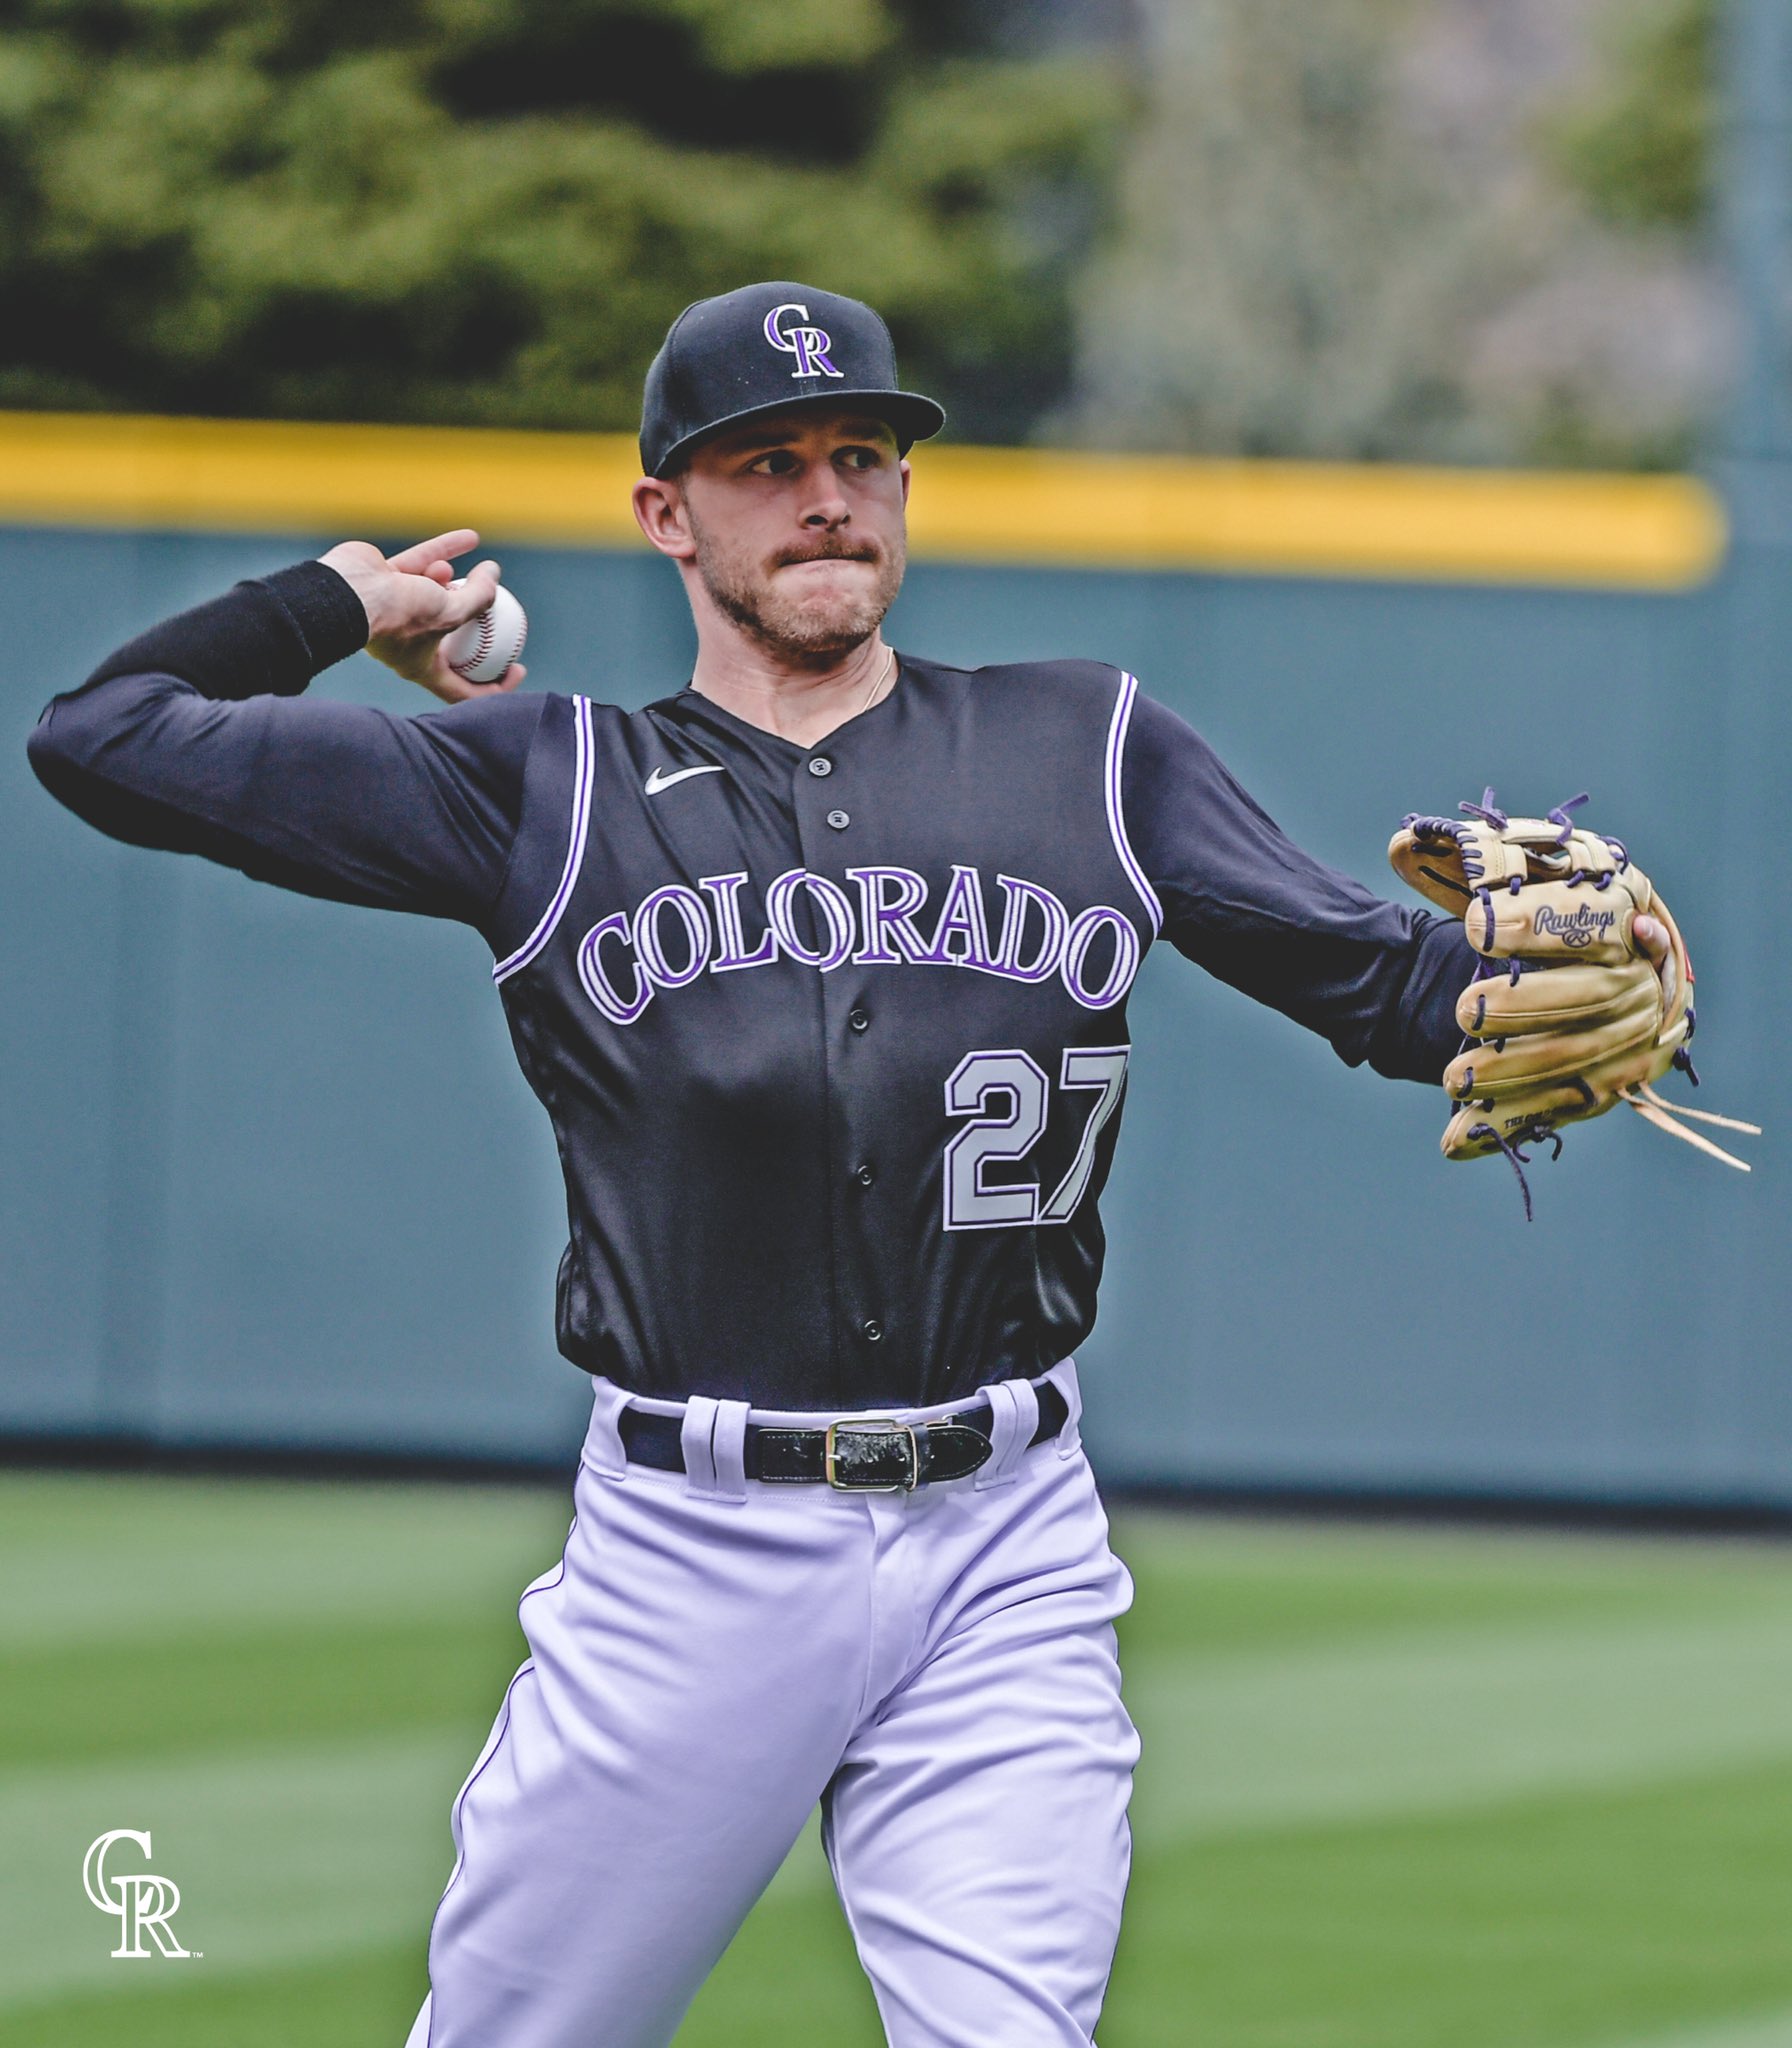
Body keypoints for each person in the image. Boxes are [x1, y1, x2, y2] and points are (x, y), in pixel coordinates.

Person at [27, 282, 1676, 2048]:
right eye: (766, 462)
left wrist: (1550, 987)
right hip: (692, 1548)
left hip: (1006, 1544)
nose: (827, 493)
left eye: (861, 454)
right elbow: (100, 738)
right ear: (667, 514)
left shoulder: (1088, 748)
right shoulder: (550, 783)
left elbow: (1379, 984)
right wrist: (336, 600)